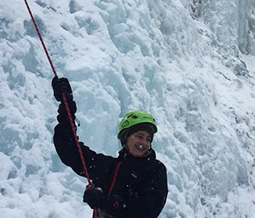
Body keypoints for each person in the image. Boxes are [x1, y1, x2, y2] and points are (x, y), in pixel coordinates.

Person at [52, 77, 168, 218]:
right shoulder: (109, 167)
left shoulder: (155, 170)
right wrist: (67, 108)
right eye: (139, 136)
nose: (144, 142)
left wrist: (104, 202)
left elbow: (147, 210)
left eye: (148, 139)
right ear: (125, 138)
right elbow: (70, 151)